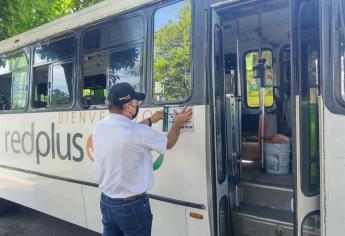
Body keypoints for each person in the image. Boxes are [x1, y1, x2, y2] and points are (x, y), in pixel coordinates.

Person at [92, 82, 192, 236]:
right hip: (132, 206)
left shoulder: (100, 127)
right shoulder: (138, 132)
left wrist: (151, 120)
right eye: (135, 102)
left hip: (107, 202)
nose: (137, 105)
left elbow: (127, 130)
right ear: (127, 106)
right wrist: (177, 124)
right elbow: (168, 143)